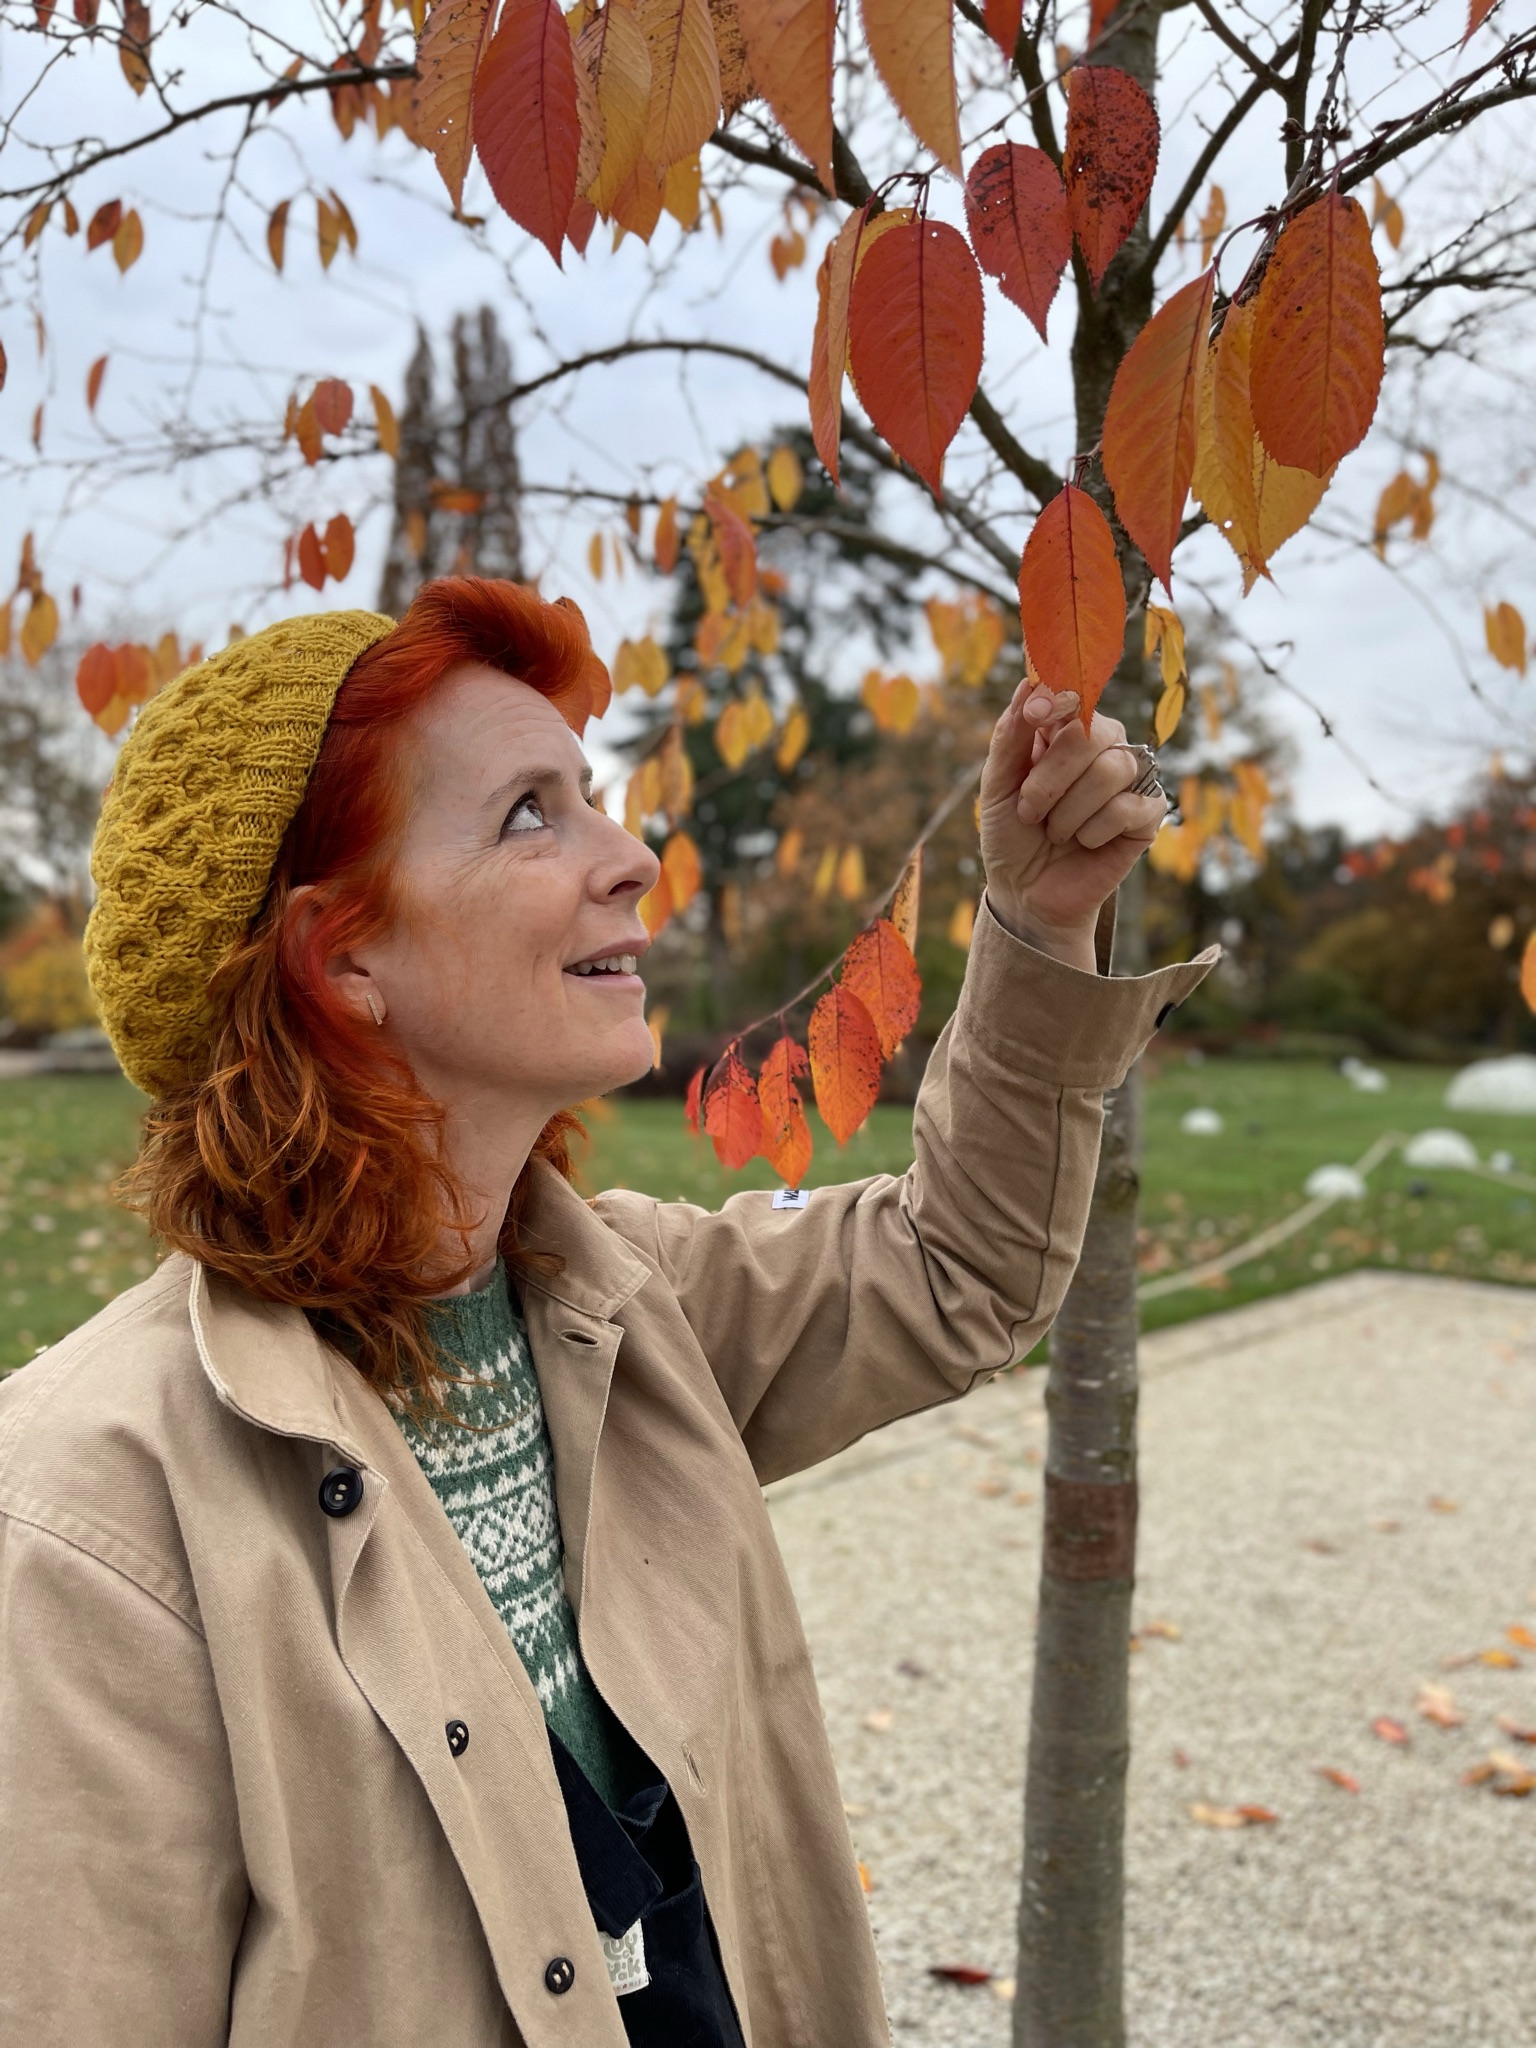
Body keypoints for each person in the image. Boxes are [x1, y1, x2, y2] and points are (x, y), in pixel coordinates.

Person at [0, 576, 1213, 2047]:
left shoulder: (633, 1300)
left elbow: (960, 1270)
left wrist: (1035, 914)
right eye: (531, 813)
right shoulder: (86, 1519)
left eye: (597, 797)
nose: (635, 856)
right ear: (344, 960)